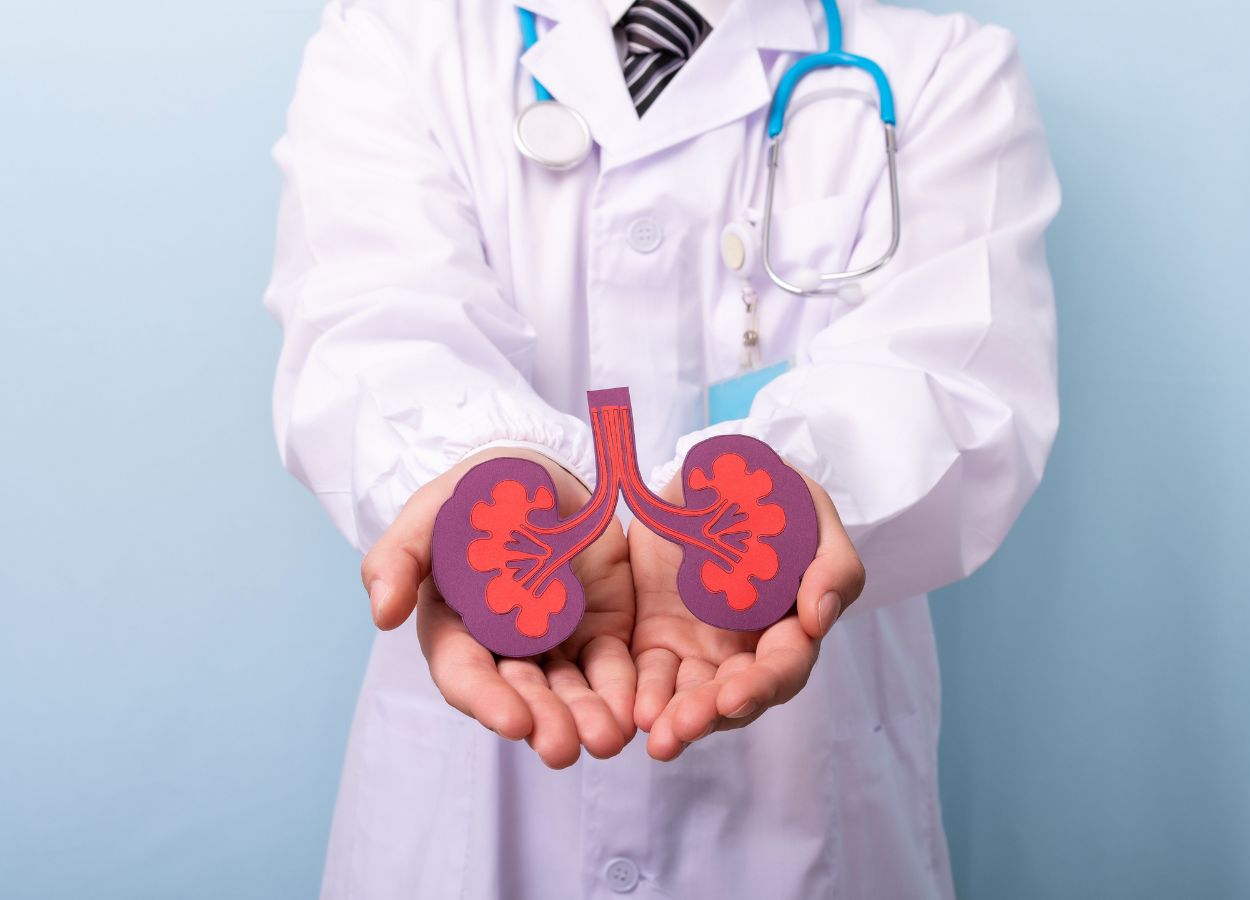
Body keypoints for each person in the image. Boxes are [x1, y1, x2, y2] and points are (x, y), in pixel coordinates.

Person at [264, 0, 1060, 896]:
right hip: (471, 803)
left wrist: (791, 490)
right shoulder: (396, 37)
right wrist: (484, 471)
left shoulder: (944, 73)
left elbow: (956, 379)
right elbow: (369, 330)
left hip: (806, 793)